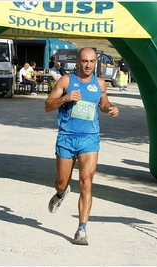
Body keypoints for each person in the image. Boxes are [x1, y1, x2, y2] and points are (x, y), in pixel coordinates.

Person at [45, 47, 119, 245]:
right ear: (78, 62)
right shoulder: (67, 81)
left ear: (96, 62)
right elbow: (48, 105)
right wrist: (65, 98)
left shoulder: (100, 83)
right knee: (62, 181)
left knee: (86, 182)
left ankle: (82, 229)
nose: (88, 65)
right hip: (67, 137)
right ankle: (61, 193)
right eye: (85, 61)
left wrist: (109, 109)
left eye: (92, 61)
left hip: (89, 138)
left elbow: (103, 104)